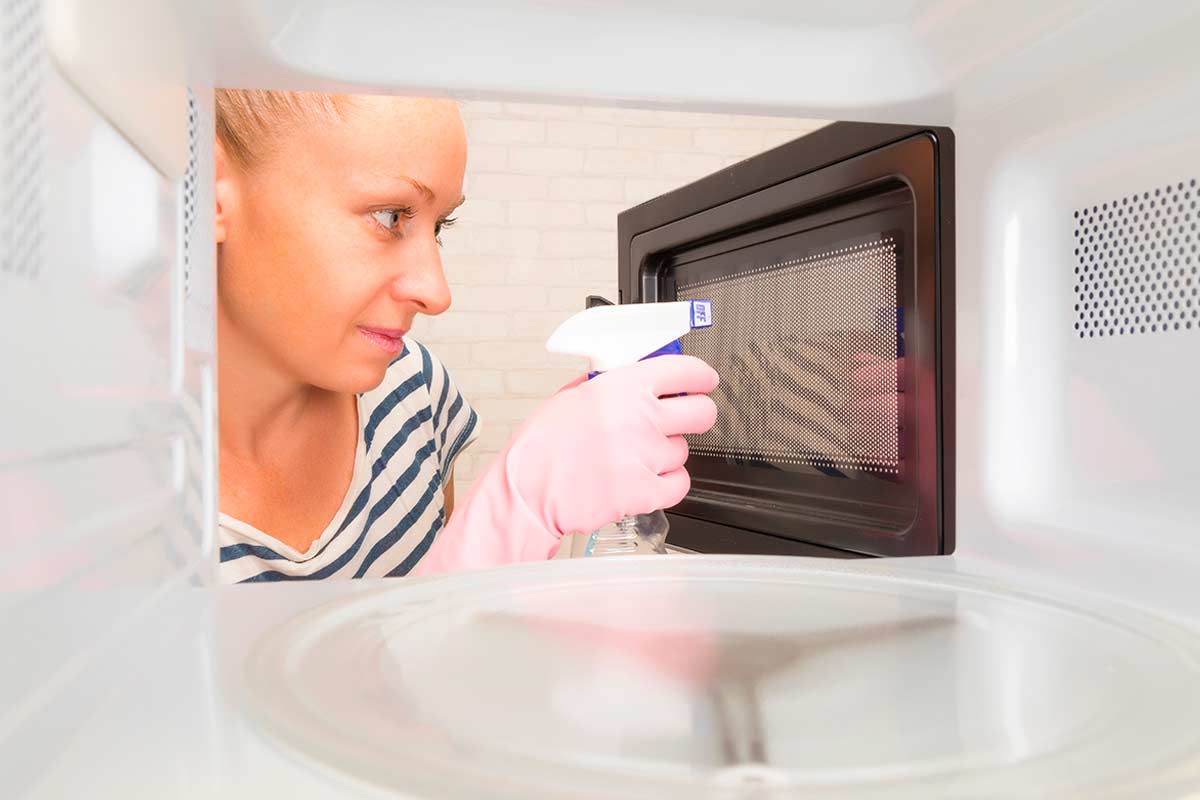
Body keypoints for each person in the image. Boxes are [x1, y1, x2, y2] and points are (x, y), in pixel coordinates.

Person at [214, 90, 719, 582]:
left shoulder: (411, 389)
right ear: (212, 190)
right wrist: (512, 512)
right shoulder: (144, 501)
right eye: (390, 217)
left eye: (440, 227)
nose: (437, 293)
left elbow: (451, 654)